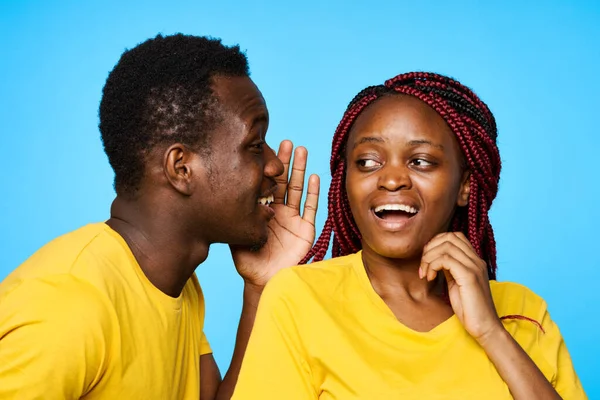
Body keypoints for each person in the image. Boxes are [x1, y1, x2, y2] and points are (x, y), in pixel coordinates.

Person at [0, 33, 319, 399]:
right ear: (180, 168)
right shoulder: (67, 307)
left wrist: (261, 289)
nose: (275, 166)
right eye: (253, 144)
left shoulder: (175, 287)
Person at [232, 72, 587, 399]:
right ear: (345, 181)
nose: (391, 179)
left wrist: (491, 333)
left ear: (465, 185)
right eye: (368, 162)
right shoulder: (300, 299)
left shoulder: (524, 312)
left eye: (420, 161)